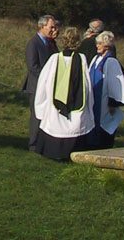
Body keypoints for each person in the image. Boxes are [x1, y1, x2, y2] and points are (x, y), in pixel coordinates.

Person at [33, 26, 94, 161]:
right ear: (78, 41)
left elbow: (43, 82)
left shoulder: (54, 59)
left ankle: (53, 152)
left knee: (55, 122)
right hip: (76, 103)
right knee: (74, 122)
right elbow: (87, 85)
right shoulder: (81, 59)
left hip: (55, 107)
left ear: (63, 40)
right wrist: (90, 106)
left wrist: (41, 107)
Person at [85, 31, 124, 149]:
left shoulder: (111, 61)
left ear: (107, 45)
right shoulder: (95, 59)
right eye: (97, 43)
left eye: (100, 43)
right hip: (94, 98)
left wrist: (113, 103)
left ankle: (102, 145)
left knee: (104, 123)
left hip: (104, 101)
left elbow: (115, 84)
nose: (97, 46)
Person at [23, 14, 59, 151]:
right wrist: (47, 78)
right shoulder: (33, 43)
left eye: (55, 27)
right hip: (36, 86)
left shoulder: (50, 43)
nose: (54, 30)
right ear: (42, 26)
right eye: (51, 27)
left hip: (47, 86)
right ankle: (33, 144)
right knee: (36, 117)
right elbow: (33, 67)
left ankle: (43, 143)